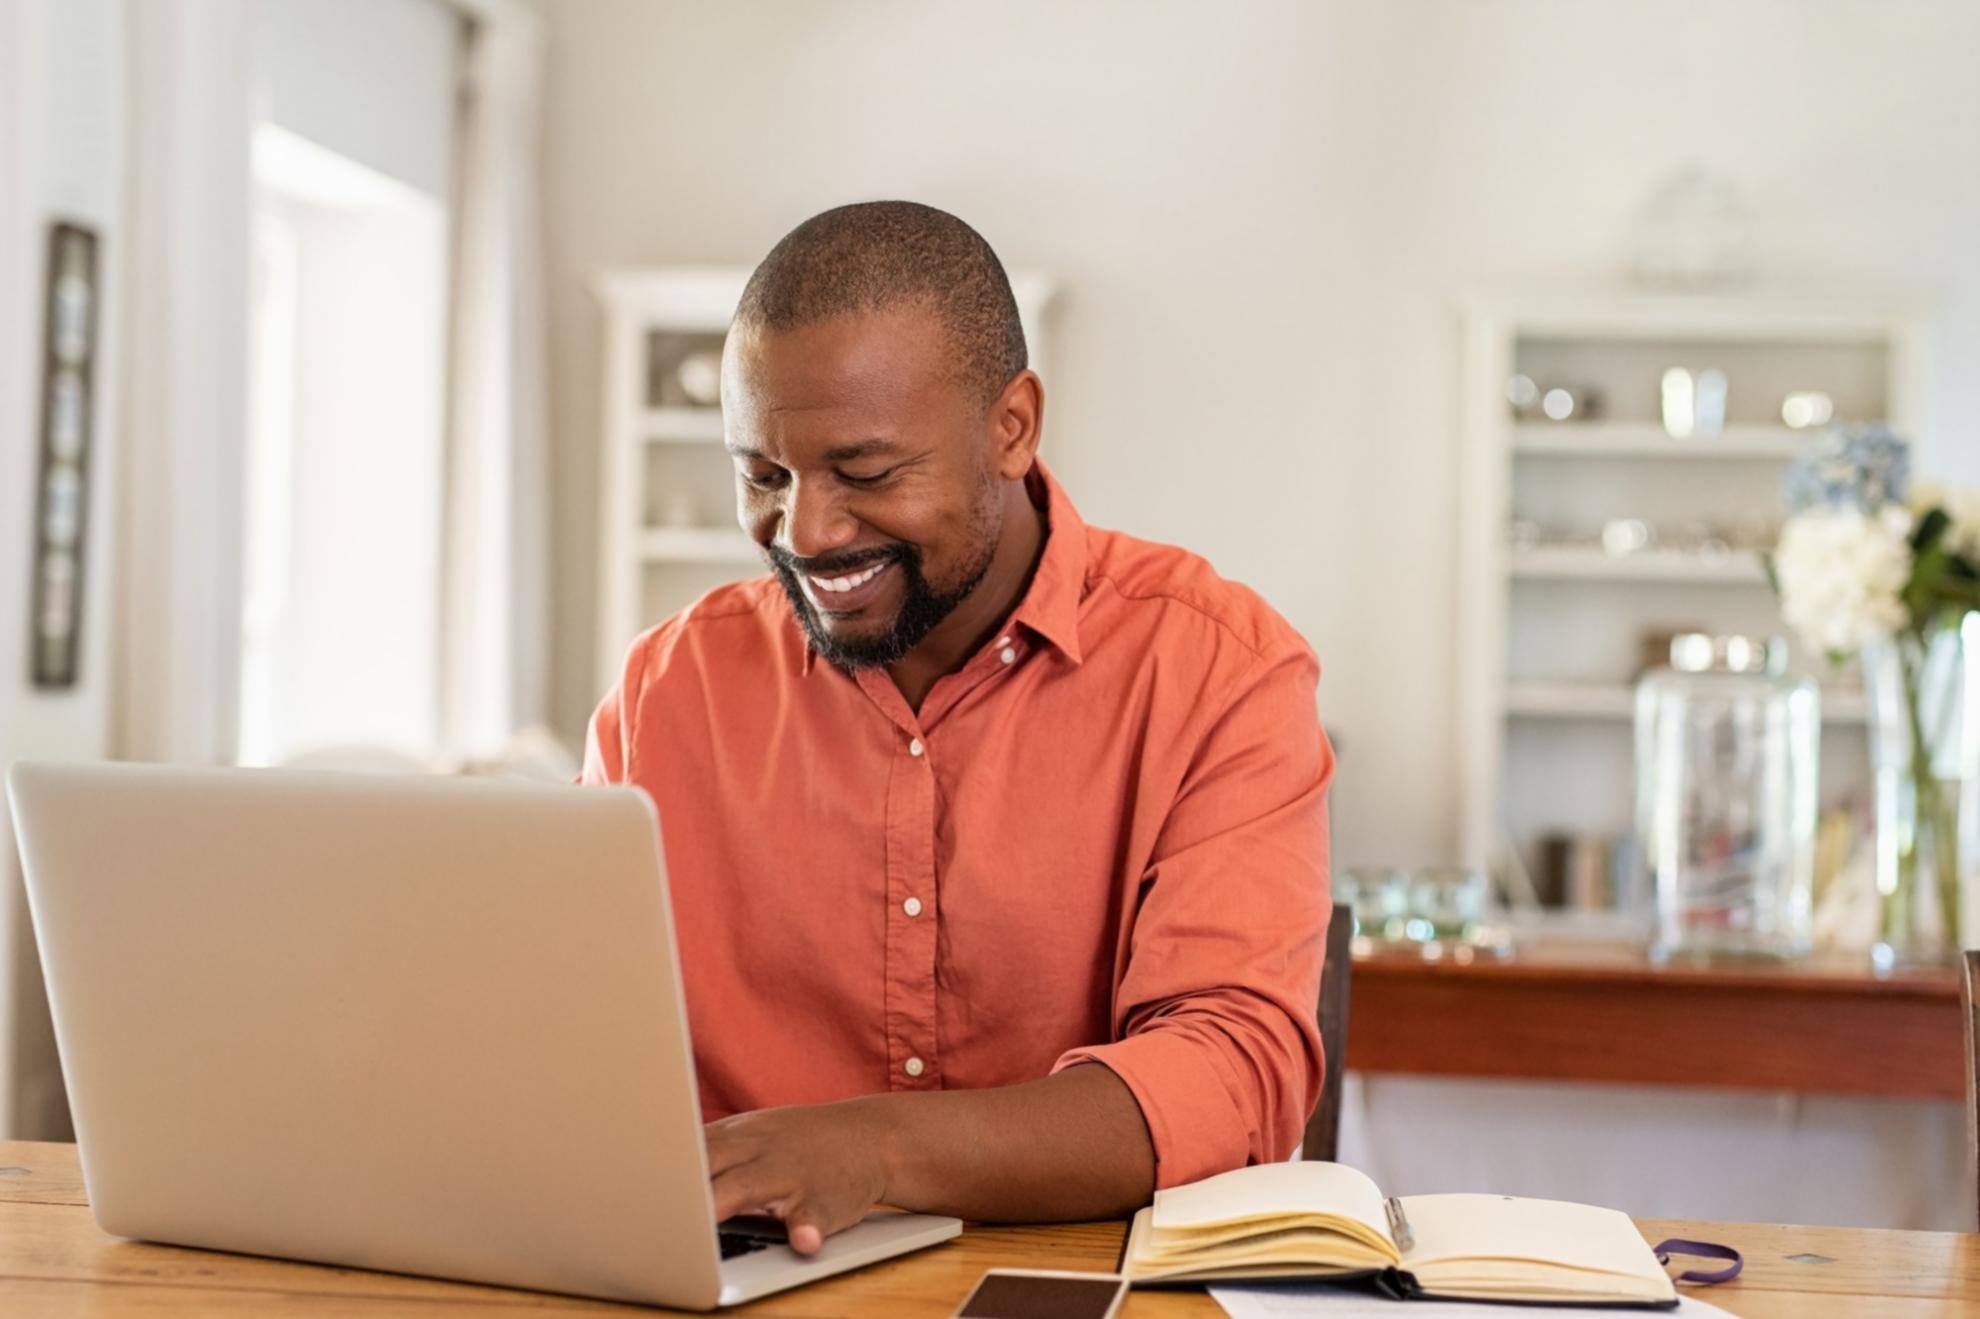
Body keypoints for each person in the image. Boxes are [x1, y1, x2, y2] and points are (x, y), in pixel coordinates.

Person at [582, 201, 1332, 1254]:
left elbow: (1231, 1070)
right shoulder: (667, 691)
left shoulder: (1219, 670)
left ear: (1013, 426)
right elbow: (579, 1050)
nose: (804, 531)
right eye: (763, 474)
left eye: (867, 472)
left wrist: (875, 1148)